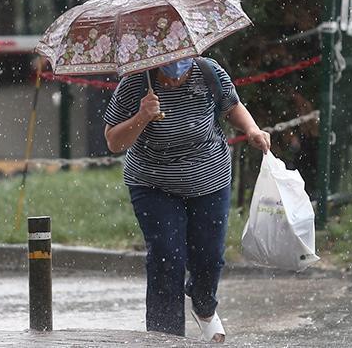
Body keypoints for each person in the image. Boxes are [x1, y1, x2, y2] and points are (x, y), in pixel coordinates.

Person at [103, 57, 270, 342]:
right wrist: (142, 116)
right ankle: (164, 337)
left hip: (209, 179)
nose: (177, 69)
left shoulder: (208, 71)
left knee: (210, 257)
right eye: (169, 62)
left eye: (183, 61)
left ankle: (204, 306)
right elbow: (114, 141)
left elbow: (232, 107)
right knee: (167, 257)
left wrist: (252, 129)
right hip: (153, 183)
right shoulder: (135, 83)